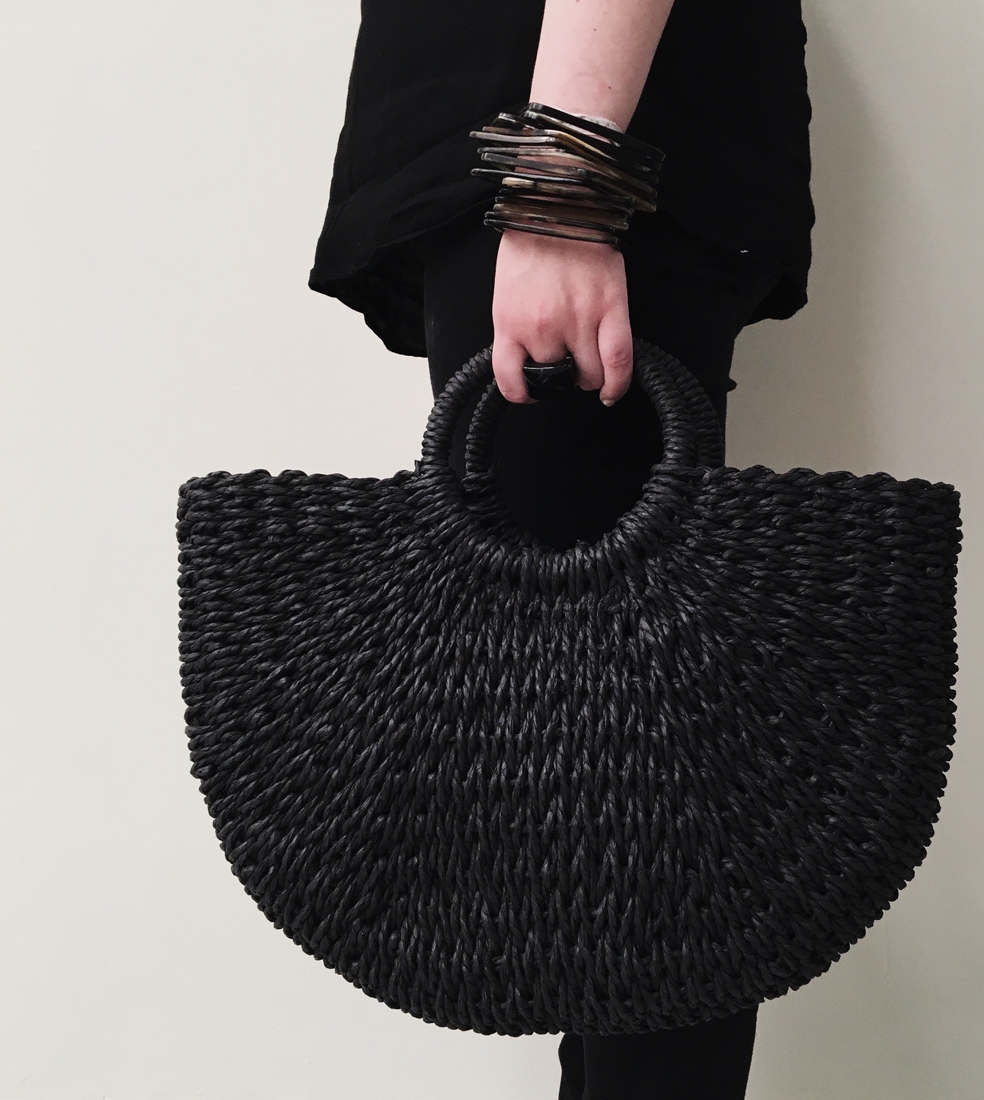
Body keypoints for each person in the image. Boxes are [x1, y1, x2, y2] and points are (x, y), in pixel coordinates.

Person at [310, 0, 814, 1094]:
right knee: (598, 798)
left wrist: (564, 191)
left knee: (641, 807)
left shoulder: (563, 184)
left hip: (572, 158)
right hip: (554, 148)